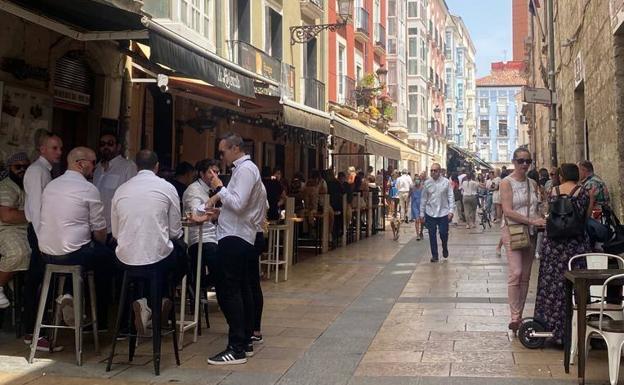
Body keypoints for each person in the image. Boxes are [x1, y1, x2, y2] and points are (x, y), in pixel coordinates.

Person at [203, 132, 266, 365]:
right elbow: (241, 206)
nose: (221, 156)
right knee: (240, 289)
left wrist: (220, 188)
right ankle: (244, 341)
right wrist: (221, 211)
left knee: (229, 291)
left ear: (235, 148)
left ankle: (237, 346)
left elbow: (239, 204)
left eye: (223, 151)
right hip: (236, 234)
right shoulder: (244, 170)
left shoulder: (247, 170)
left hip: (236, 237)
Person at [38, 147, 114, 330]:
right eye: (93, 162)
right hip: (73, 254)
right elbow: (100, 230)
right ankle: (100, 322)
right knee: (109, 260)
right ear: (81, 164)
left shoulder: (51, 185)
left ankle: (68, 294)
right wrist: (102, 243)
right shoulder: (88, 189)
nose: (95, 167)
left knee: (84, 256)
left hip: (46, 253)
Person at [111, 150, 186, 336]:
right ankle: (161, 299)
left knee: (140, 261)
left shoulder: (121, 189)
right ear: (157, 166)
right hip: (158, 259)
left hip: (124, 259)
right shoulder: (167, 188)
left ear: (136, 166)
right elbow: (176, 231)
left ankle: (142, 302)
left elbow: (115, 232)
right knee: (180, 255)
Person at [534, 163, 593, 345]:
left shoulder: (552, 191)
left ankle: (551, 327)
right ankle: (577, 329)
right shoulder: (583, 192)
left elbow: (547, 213)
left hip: (554, 246)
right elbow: (586, 217)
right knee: (577, 285)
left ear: (561, 176)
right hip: (575, 245)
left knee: (552, 286)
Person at [22, 132, 63, 350]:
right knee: (36, 283)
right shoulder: (37, 171)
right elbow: (37, 210)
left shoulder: (46, 171)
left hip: (43, 232)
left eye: (60, 148)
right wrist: (41, 239)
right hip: (39, 232)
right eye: (54, 148)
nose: (58, 152)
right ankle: (33, 333)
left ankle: (36, 331)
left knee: (39, 281)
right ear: (42, 149)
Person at [499, 148, 545, 332]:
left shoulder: (532, 183)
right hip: (512, 229)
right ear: (514, 162)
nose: (524, 164)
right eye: (520, 161)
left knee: (525, 275)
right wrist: (532, 220)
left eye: (528, 161)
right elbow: (508, 210)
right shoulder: (506, 183)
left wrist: (541, 218)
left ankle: (519, 316)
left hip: (531, 231)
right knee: (516, 272)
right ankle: (514, 315)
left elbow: (537, 206)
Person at [182, 159, 220, 288]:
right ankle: (199, 287)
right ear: (201, 174)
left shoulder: (210, 189)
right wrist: (214, 213)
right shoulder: (194, 190)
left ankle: (202, 286)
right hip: (199, 238)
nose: (215, 176)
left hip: (212, 236)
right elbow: (195, 215)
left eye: (216, 172)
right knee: (221, 267)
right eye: (211, 172)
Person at [0, 152, 31, 309]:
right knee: (18, 252)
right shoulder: (6, 186)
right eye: (17, 167)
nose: (22, 170)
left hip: (24, 229)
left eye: (26, 167)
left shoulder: (26, 185)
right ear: (9, 168)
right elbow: (7, 216)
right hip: (5, 229)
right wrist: (33, 215)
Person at [93, 133, 137, 241]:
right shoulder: (97, 167)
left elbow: (131, 199)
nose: (106, 147)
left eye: (110, 143)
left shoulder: (127, 166)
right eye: (102, 144)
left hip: (114, 230)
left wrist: (122, 230)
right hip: (95, 228)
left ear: (118, 147)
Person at [420, 163, 455, 262]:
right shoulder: (427, 183)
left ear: (439, 171)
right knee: (432, 234)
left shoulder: (446, 182)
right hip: (430, 212)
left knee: (443, 233)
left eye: (435, 170)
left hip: (443, 212)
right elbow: (423, 199)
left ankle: (444, 247)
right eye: (431, 170)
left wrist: (451, 211)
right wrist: (422, 213)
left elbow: (450, 196)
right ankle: (434, 255)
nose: (433, 172)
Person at [410, 175, 423, 240]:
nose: (417, 181)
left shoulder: (422, 187)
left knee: (422, 220)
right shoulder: (412, 188)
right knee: (417, 220)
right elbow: (409, 195)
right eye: (416, 179)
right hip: (414, 205)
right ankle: (417, 235)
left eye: (418, 179)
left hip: (421, 205)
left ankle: (421, 232)